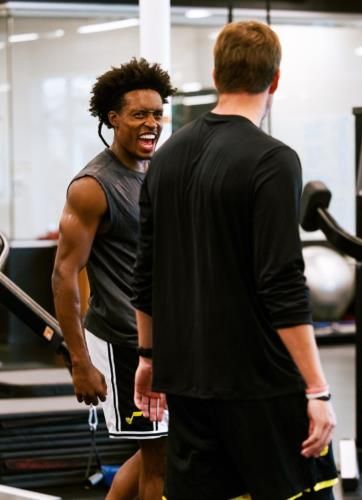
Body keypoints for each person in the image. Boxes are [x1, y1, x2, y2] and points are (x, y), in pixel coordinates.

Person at [133, 21, 338, 500]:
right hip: (260, 385)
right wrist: (317, 389)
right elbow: (281, 281)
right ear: (276, 80)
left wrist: (149, 356)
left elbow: (146, 273)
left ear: (216, 73)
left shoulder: (166, 158)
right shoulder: (273, 159)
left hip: (188, 380)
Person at [52, 58, 175, 500]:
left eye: (158, 113)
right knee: (160, 462)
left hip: (162, 340)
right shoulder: (92, 186)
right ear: (113, 118)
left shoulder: (154, 171)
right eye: (139, 114)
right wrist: (80, 362)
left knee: (158, 453)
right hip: (124, 343)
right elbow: (64, 275)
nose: (151, 124)